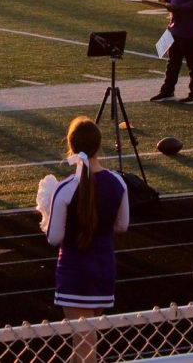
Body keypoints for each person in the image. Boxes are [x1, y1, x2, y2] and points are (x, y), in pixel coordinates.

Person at [45, 117, 129, 360]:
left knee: (84, 346)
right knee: (84, 343)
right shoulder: (118, 182)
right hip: (104, 268)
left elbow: (54, 238)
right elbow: (122, 226)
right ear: (99, 145)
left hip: (74, 272)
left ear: (70, 146)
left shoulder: (66, 188)